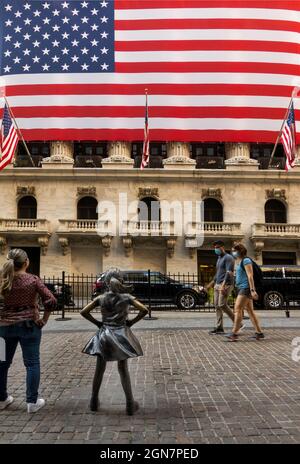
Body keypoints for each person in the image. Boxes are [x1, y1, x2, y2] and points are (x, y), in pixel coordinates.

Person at [80, 268, 148, 415]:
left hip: (104, 335)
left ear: (105, 282)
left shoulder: (101, 298)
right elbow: (144, 310)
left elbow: (84, 311)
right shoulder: (126, 297)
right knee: (123, 369)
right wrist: (131, 322)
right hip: (122, 334)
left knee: (99, 369)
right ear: (121, 280)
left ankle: (93, 401)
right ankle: (130, 403)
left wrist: (98, 324)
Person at [0, 249, 57, 413]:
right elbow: (51, 300)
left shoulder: (2, 280)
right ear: (26, 263)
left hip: (3, 329)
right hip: (29, 327)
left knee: (1, 363)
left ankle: (2, 398)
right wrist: (44, 319)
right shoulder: (33, 280)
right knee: (32, 363)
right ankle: (32, 402)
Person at [225, 243, 265, 342]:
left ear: (239, 251)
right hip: (242, 288)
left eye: (234, 250)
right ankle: (259, 333)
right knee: (250, 311)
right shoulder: (241, 261)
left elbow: (250, 276)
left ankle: (234, 333)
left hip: (246, 288)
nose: (232, 252)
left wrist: (252, 290)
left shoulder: (246, 260)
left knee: (237, 309)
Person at [205, 240, 241, 334]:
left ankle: (238, 322)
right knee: (217, 306)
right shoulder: (219, 258)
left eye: (217, 247)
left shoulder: (228, 258)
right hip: (217, 284)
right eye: (215, 247)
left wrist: (223, 285)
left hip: (226, 284)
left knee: (222, 304)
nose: (216, 249)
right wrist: (211, 284)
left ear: (222, 247)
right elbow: (218, 274)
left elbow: (229, 272)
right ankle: (219, 328)